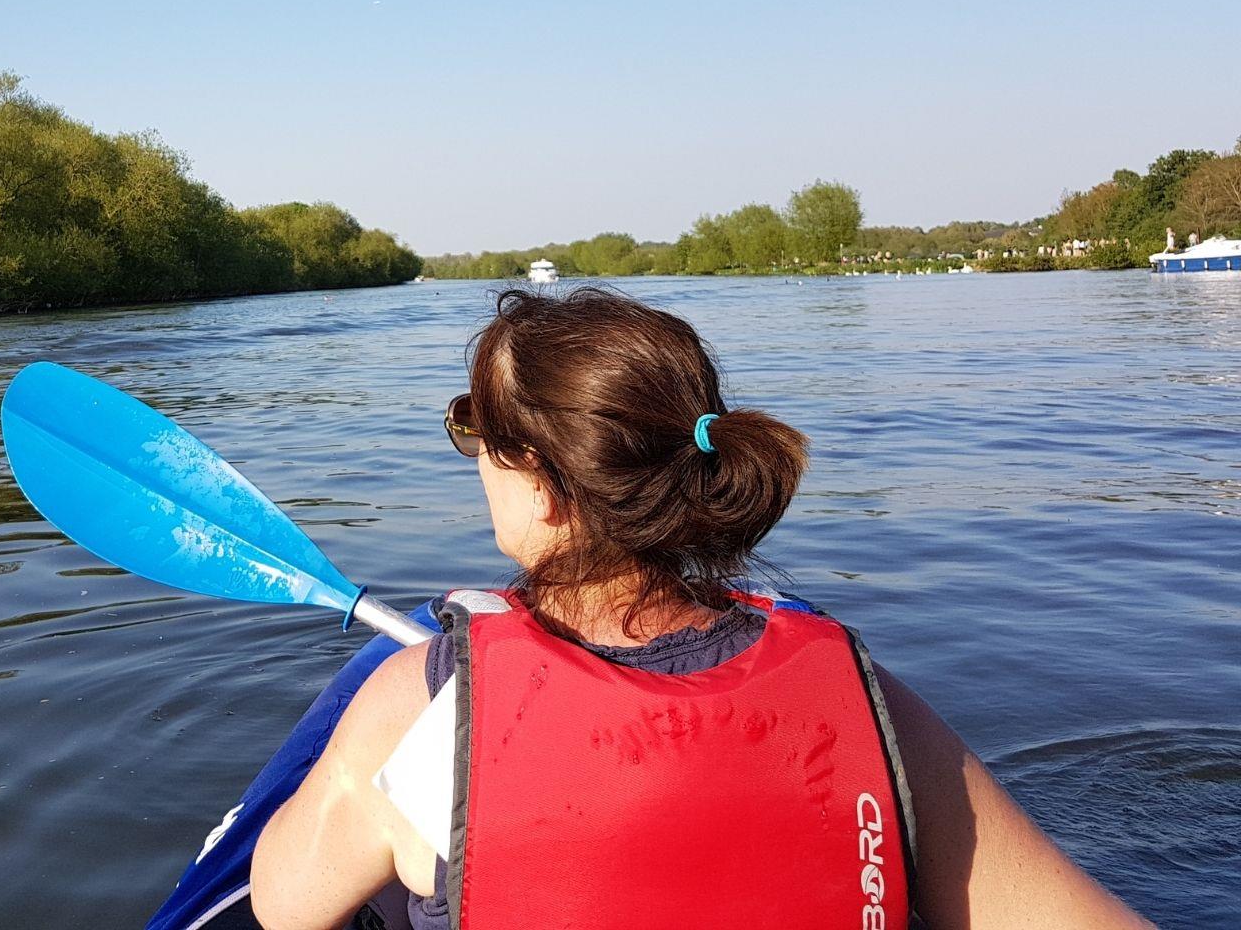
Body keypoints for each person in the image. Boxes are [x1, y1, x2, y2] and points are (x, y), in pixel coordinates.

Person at [250, 287, 1146, 930]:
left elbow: (283, 905)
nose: (473, 456)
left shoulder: (418, 705)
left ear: (547, 488)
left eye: (475, 434)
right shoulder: (865, 703)